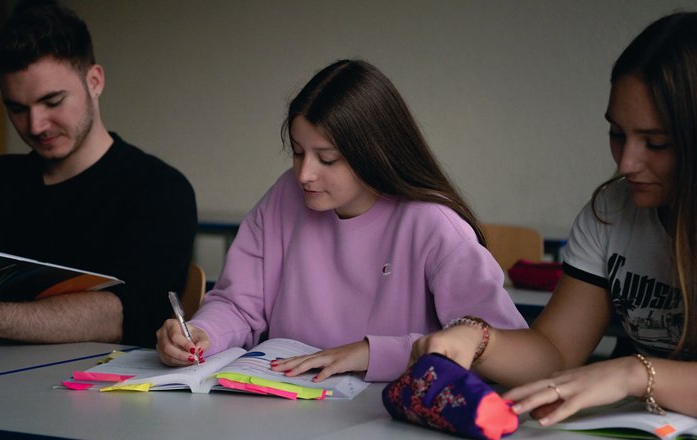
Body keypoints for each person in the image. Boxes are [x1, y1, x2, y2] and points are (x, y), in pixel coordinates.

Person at [156, 59, 526, 382]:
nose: (304, 174)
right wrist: (203, 333)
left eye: (327, 159)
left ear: (375, 153)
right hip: (288, 403)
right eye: (298, 153)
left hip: (389, 415)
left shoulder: (433, 224)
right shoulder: (284, 198)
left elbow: (496, 347)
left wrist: (370, 353)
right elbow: (239, 305)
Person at [412, 11, 697, 422]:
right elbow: (557, 352)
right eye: (617, 134)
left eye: (656, 143)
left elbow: (627, 374)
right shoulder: (611, 212)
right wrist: (478, 339)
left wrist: (634, 373)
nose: (626, 163)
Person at [0, 3, 196, 347]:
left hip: (97, 378)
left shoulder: (159, 189)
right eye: (17, 108)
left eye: (52, 102)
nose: (35, 126)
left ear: (95, 81)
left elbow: (133, 314)